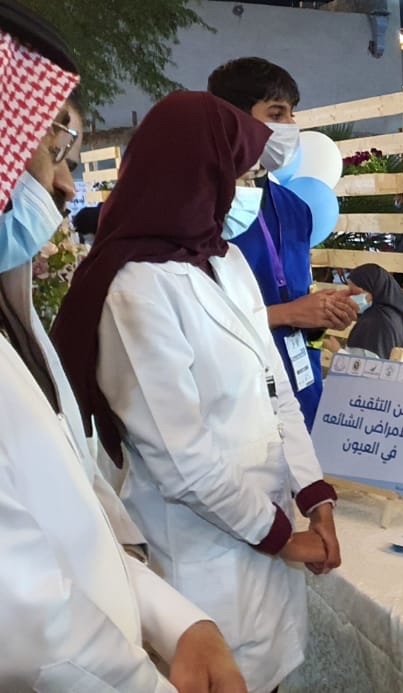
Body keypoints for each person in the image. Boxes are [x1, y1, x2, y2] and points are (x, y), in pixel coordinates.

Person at [52, 91, 341, 693]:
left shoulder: (226, 262)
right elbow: (182, 460)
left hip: (266, 543)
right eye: (238, 178)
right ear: (194, 176)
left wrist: (315, 496)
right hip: (202, 559)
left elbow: (275, 387)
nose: (244, 194)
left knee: (273, 674)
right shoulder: (134, 289)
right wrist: (282, 538)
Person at [0, 5, 245, 690]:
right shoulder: (133, 285)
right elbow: (26, 626)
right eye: (52, 152)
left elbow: (74, 502)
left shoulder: (14, 314)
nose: (66, 186)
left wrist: (175, 620)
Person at [209, 56, 358, 430]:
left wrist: (324, 312)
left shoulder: (295, 208)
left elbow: (295, 294)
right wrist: (289, 314)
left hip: (303, 386)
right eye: (276, 114)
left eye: (292, 113)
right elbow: (199, 319)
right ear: (233, 119)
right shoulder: (204, 207)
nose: (290, 126)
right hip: (240, 394)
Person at [342, 263, 403, 359]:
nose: (350, 297)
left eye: (353, 292)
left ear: (372, 290)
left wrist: (337, 351)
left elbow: (366, 365)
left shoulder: (374, 323)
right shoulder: (397, 312)